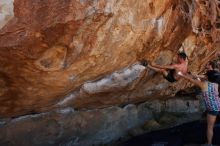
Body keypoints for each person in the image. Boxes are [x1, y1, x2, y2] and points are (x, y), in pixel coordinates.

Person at [178, 71, 220, 145]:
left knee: (210, 127)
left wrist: (181, 74)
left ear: (207, 77)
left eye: (205, 75)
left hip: (213, 109)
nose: (204, 76)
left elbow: (190, 79)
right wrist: (196, 76)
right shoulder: (215, 83)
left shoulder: (203, 84)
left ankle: (209, 144)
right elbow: (203, 79)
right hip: (218, 105)